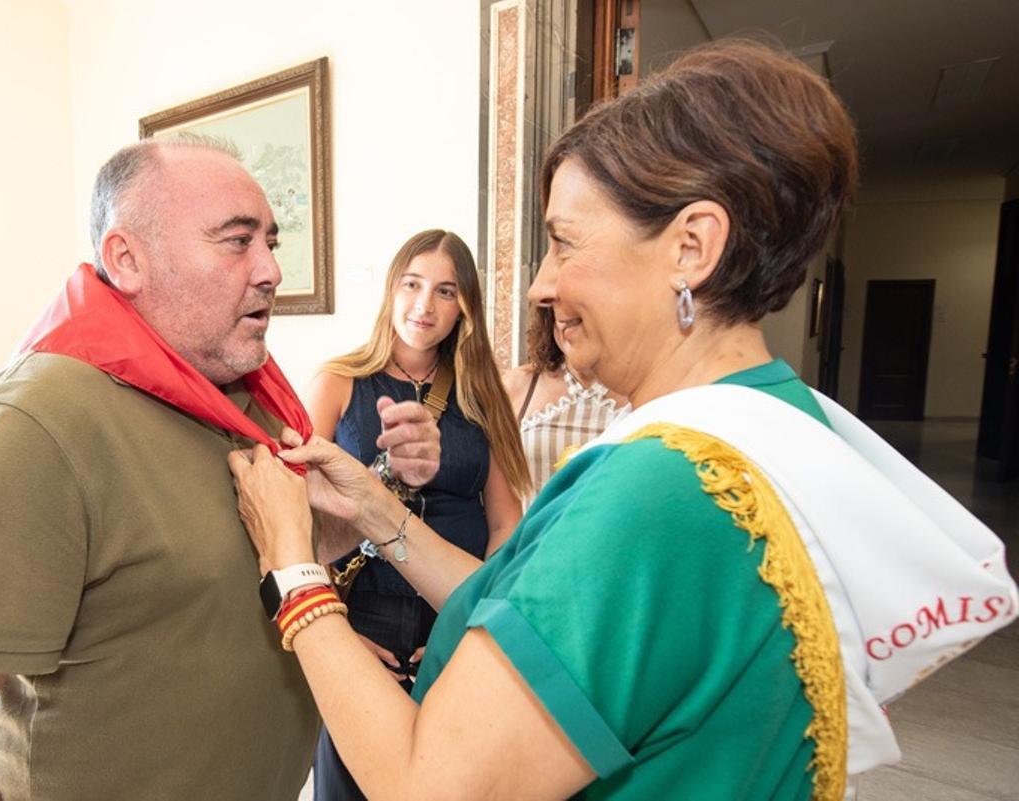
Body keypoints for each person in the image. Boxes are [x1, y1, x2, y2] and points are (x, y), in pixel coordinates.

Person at [225, 40, 1019, 801]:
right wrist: (375, 507)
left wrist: (293, 568)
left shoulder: (655, 494)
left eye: (564, 243)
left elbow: (427, 780)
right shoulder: (776, 424)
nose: (539, 286)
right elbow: (545, 615)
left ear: (692, 247)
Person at [0, 137, 440, 800]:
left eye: (271, 241)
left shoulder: (243, 393)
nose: (272, 268)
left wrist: (384, 480)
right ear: (127, 259)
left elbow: (262, 558)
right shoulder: (32, 430)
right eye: (236, 240)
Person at [304, 228, 529, 798]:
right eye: (412, 284)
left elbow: (505, 525)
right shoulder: (338, 381)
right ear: (391, 290)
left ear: (465, 311)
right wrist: (335, 630)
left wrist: (472, 628)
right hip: (362, 613)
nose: (425, 305)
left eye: (446, 291)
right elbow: (295, 521)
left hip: (451, 613)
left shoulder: (483, 395)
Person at [501, 304, 627, 497]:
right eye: (563, 314)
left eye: (582, 316)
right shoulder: (517, 385)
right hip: (532, 526)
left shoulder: (642, 390)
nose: (571, 325)